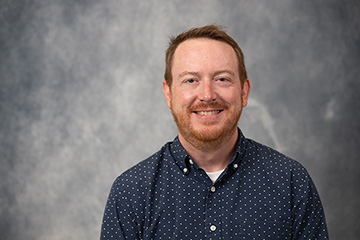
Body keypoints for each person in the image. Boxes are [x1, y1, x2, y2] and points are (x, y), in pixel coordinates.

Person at [100, 25, 328, 239]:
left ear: (244, 91)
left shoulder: (292, 183)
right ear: (168, 93)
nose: (207, 95)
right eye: (191, 80)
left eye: (222, 79)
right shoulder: (130, 192)